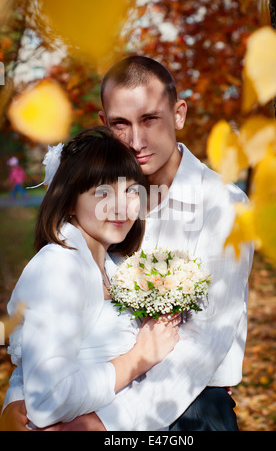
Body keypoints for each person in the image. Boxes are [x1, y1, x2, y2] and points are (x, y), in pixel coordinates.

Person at [2, 56, 254, 431]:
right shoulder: (99, 207)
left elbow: (204, 342)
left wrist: (100, 424)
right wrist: (17, 398)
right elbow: (54, 321)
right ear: (105, 124)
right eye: (122, 123)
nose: (137, 141)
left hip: (185, 410)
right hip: (84, 398)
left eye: (150, 119)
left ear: (179, 113)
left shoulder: (223, 205)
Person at [0, 126, 181, 430]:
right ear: (70, 201)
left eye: (131, 191)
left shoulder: (116, 268)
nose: (122, 205)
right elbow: (47, 398)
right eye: (102, 191)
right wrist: (138, 358)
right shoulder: (58, 267)